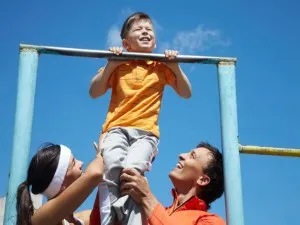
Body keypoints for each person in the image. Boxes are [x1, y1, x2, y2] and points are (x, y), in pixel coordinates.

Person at [89, 12, 192, 225]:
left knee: (133, 171)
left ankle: (128, 217)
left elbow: (186, 92)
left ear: (154, 41)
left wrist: (175, 66)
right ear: (126, 44)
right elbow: (94, 91)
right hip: (117, 128)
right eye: (138, 29)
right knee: (111, 166)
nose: (145, 31)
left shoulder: (160, 66)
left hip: (146, 133)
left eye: (149, 29)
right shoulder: (120, 64)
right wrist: (111, 64)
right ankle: (111, 219)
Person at [90, 142, 226, 225]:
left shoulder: (211, 221)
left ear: (203, 180)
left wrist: (146, 197)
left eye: (193, 156)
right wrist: (112, 174)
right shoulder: (152, 212)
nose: (181, 155)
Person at [16, 142, 104, 225]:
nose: (81, 163)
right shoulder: (41, 219)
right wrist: (100, 155)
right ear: (61, 183)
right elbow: (95, 174)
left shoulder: (79, 219)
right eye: (74, 163)